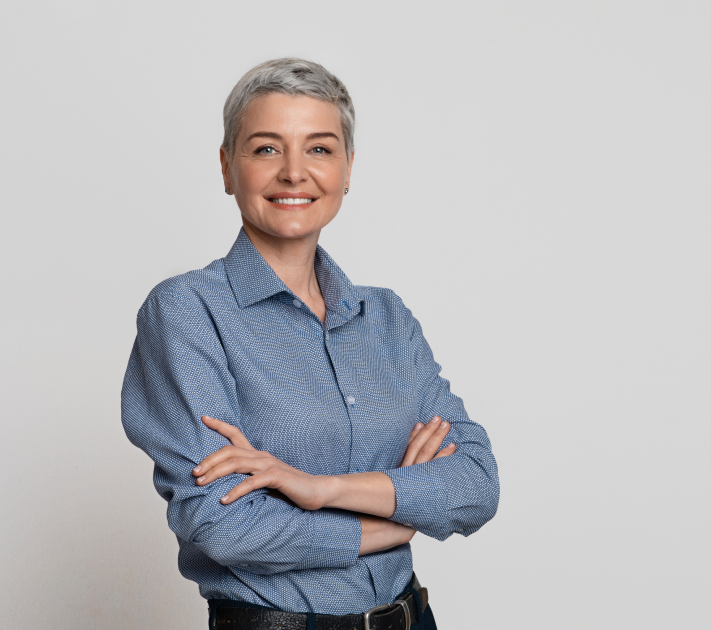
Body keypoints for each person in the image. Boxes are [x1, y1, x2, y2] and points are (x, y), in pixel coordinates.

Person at [121, 58, 500, 630]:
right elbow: (224, 523)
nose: (294, 172)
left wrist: (318, 489)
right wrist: (391, 522)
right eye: (266, 149)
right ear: (228, 167)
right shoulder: (187, 313)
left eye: (320, 149)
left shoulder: (387, 318)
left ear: (348, 169)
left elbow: (475, 484)